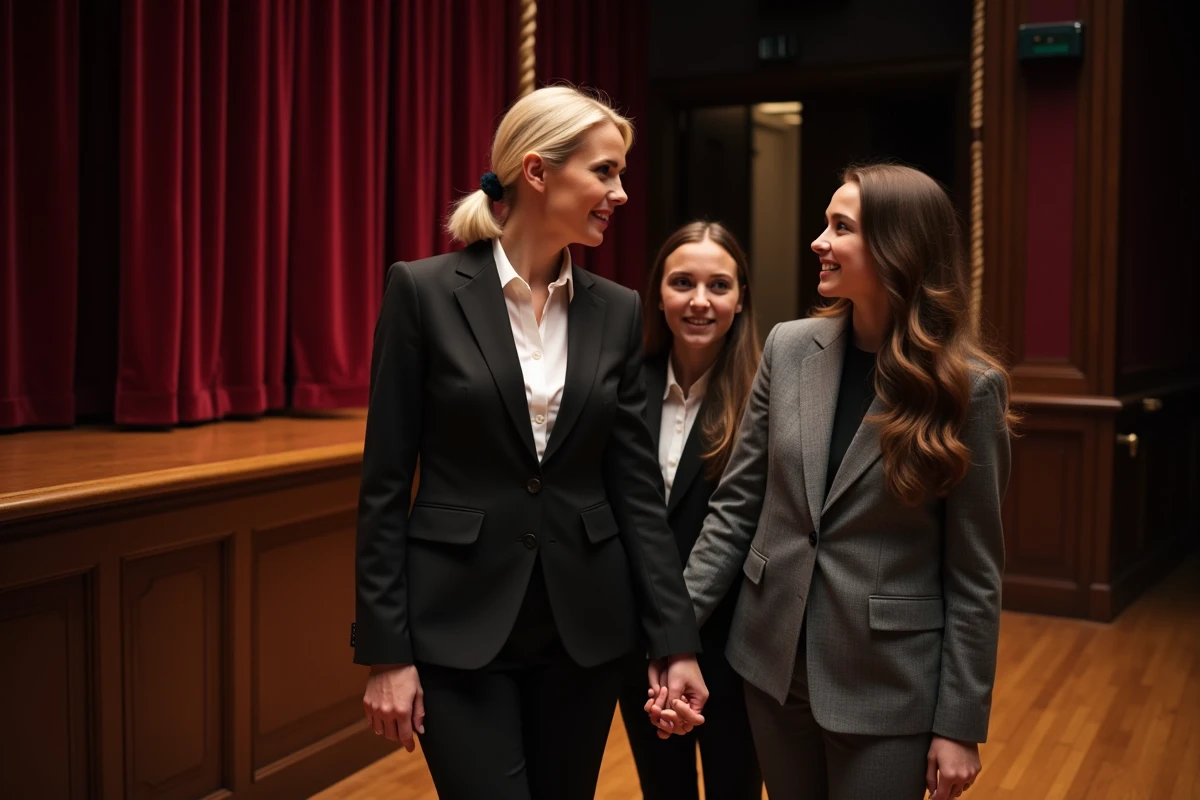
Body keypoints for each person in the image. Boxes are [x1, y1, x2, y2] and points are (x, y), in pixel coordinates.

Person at [351, 85, 707, 800]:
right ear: (538, 172)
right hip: (457, 628)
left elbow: (637, 493)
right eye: (605, 172)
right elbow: (385, 487)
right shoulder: (421, 293)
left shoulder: (617, 310)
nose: (621, 193)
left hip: (584, 633)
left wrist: (676, 642)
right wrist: (386, 653)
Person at [681, 163, 1016, 799]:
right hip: (771, 666)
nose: (819, 241)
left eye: (841, 227)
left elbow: (975, 575)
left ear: (897, 247)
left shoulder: (970, 389)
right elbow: (734, 509)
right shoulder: (787, 347)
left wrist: (959, 723)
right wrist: (675, 630)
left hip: (888, 685)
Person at [617, 221, 764, 799]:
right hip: (641, 643)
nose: (700, 301)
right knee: (663, 789)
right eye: (682, 282)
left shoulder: (765, 394)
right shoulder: (627, 385)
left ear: (741, 297)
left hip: (733, 648)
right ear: (658, 293)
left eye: (718, 285)